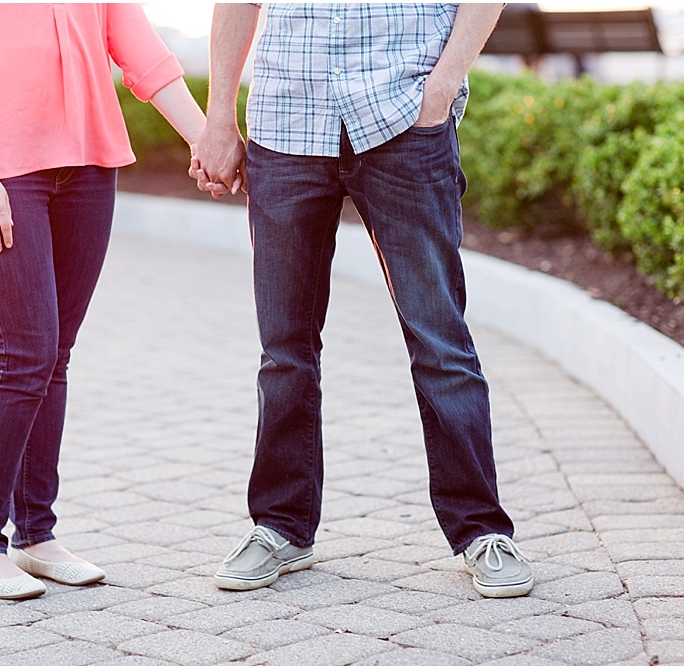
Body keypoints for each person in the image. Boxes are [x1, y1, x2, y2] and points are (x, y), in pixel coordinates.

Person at [192, 3, 533, 598]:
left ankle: (481, 530)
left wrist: (442, 87)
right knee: (284, 350)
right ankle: (280, 526)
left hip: (404, 119)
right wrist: (219, 115)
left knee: (440, 341)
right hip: (288, 121)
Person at [0, 4, 211, 600]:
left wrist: (208, 139)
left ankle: (36, 534)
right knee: (26, 356)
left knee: (56, 356)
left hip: (87, 167)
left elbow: (142, 52)